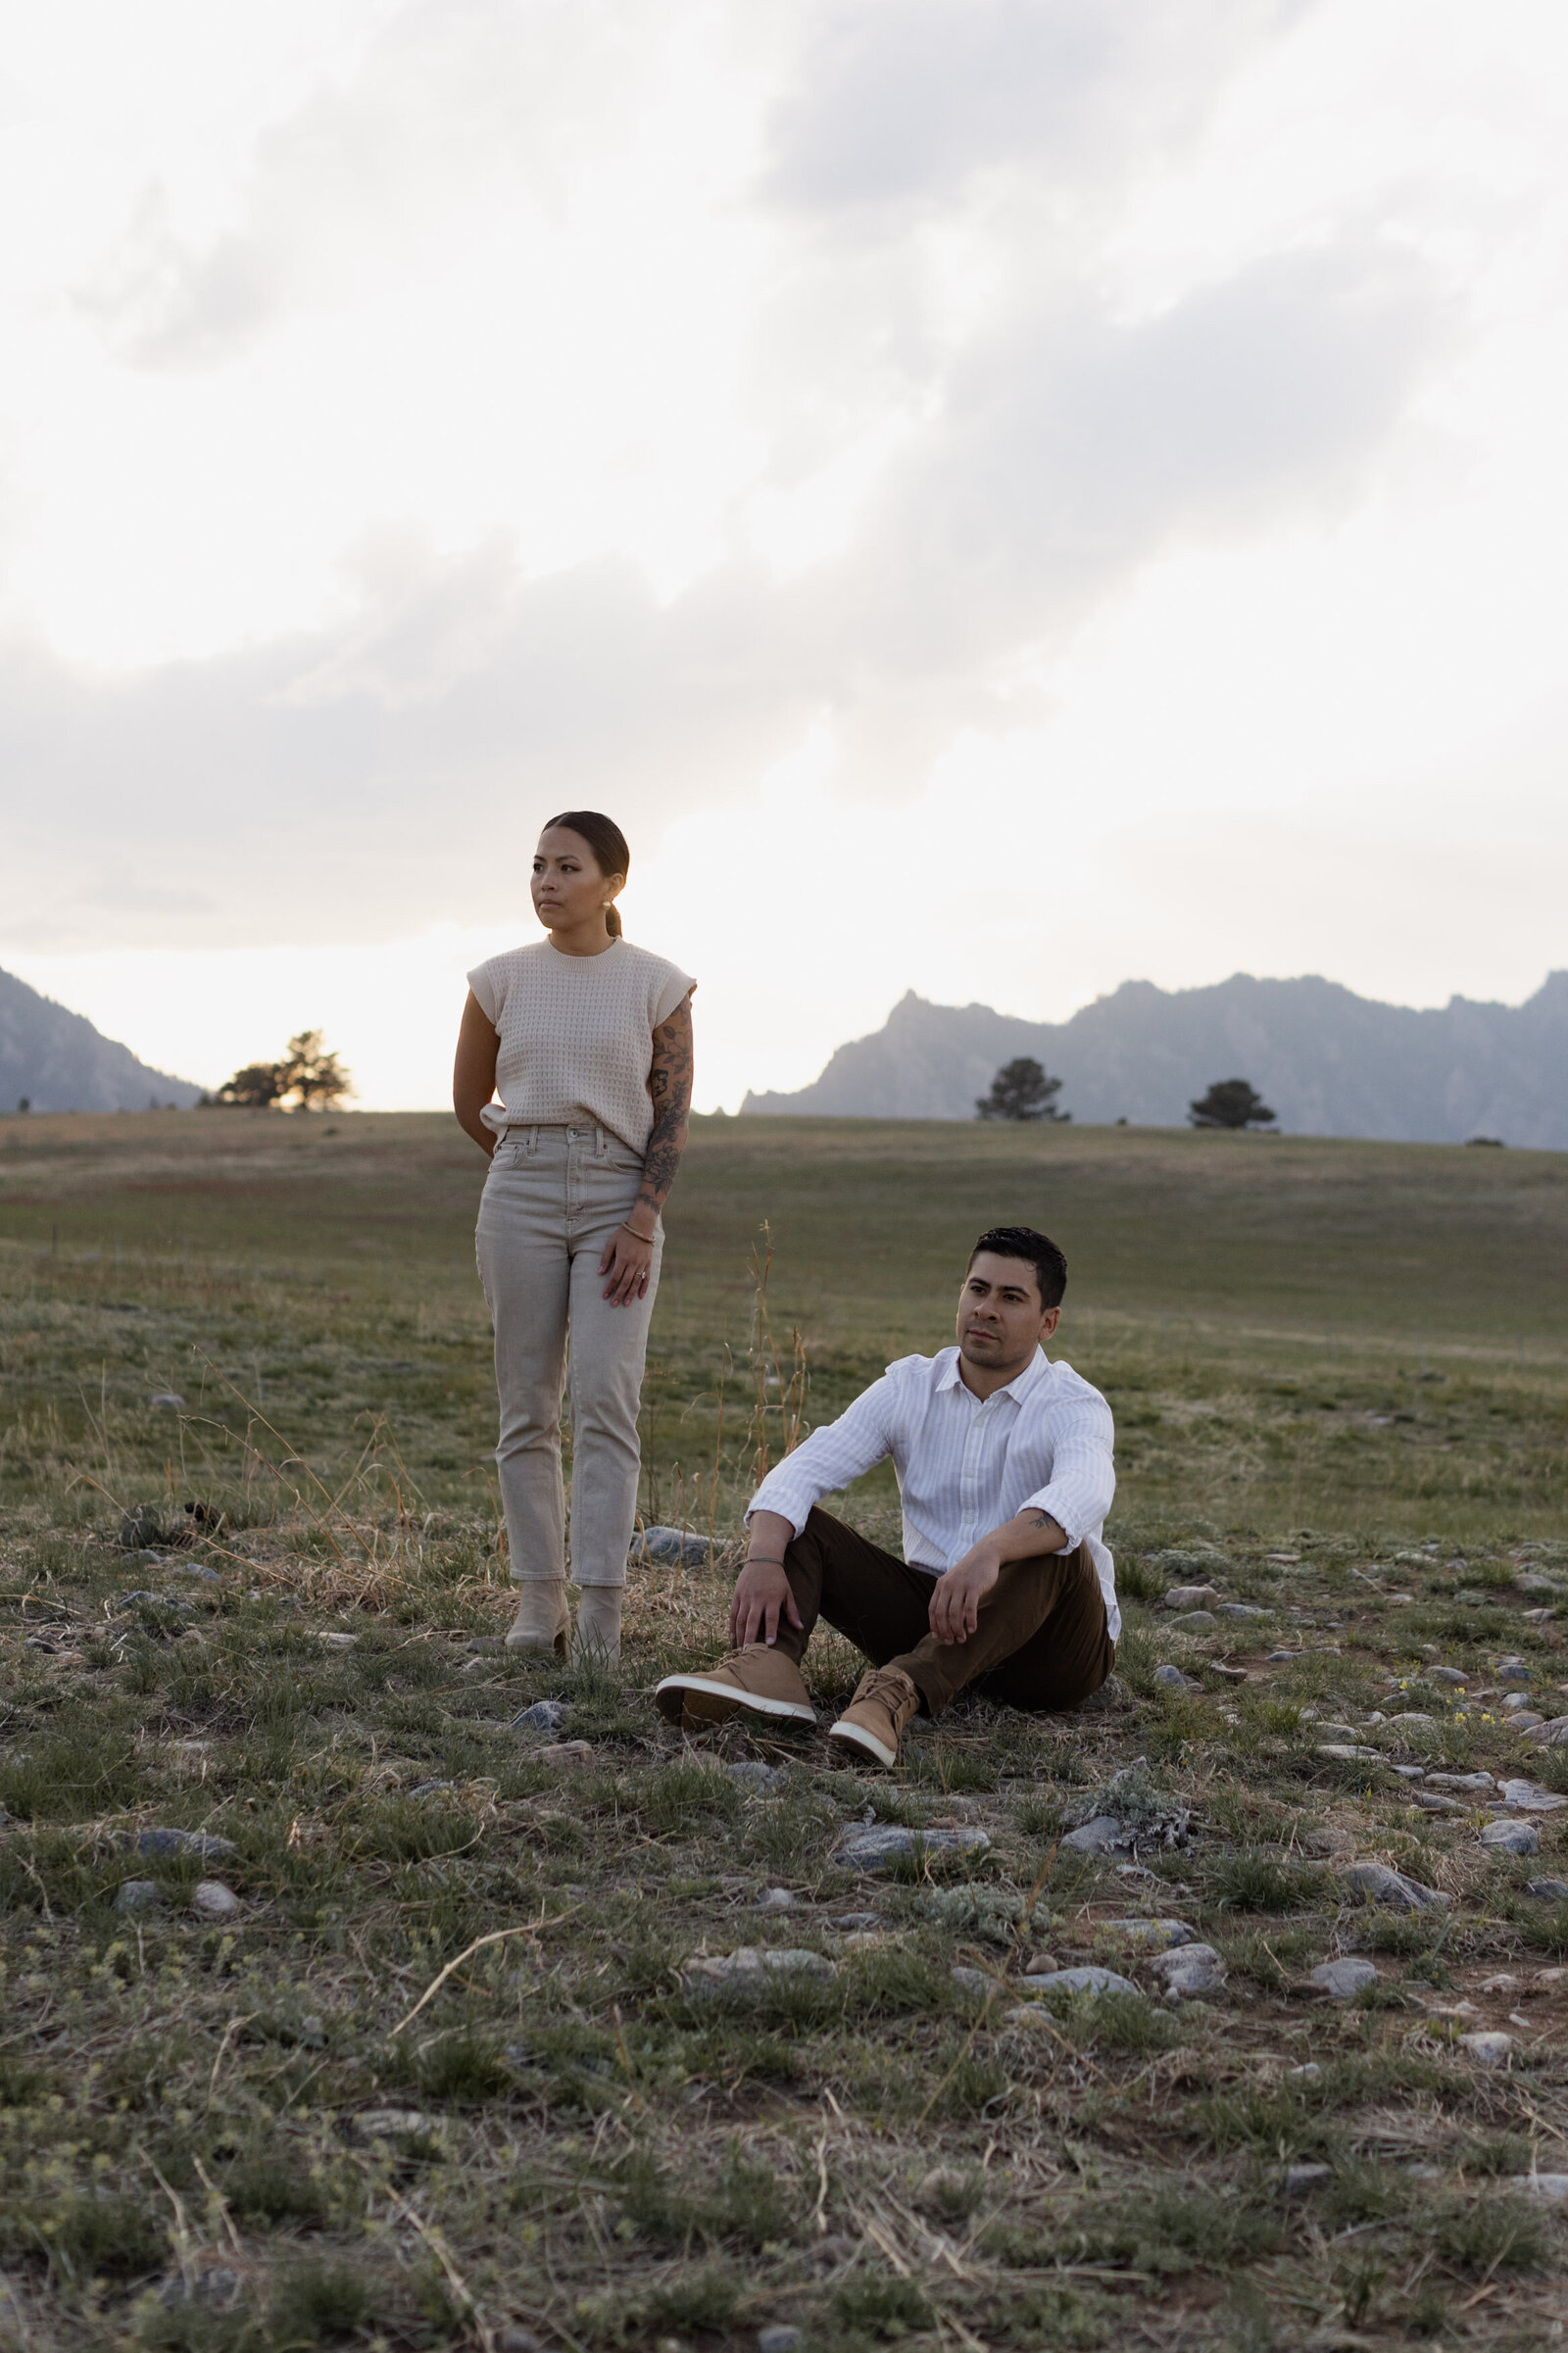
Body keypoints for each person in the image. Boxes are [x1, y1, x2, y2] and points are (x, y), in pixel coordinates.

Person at [655, 1226, 1116, 1767]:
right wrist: (762, 1557)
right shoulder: (910, 1385)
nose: (986, 1309)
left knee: (1057, 1546)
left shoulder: (1073, 1403)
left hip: (1052, 1653)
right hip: (939, 1621)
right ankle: (768, 1668)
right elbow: (803, 1469)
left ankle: (897, 1690)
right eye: (978, 1289)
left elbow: (1084, 1492)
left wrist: (990, 1553)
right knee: (804, 1527)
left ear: (1048, 1323)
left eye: (1011, 1298)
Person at [453, 811, 695, 1664]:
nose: (545, 883)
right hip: (516, 1186)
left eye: (566, 867)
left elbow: (670, 1115)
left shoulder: (657, 983)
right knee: (526, 1404)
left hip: (617, 1198)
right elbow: (467, 1102)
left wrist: (638, 1217)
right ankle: (536, 1604)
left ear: (612, 882)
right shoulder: (499, 979)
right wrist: (529, 1162)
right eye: (537, 866)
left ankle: (601, 1613)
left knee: (605, 1401)